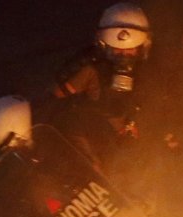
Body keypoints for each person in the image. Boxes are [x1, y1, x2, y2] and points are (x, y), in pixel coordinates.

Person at [40, 2, 155, 171]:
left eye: (129, 51)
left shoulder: (149, 73)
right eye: (116, 50)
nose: (123, 57)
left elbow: (156, 108)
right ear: (104, 46)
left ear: (141, 48)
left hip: (126, 151)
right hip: (88, 143)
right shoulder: (90, 69)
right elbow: (53, 101)